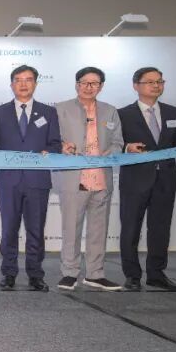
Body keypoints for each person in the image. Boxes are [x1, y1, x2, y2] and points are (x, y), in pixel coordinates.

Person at [118, 67, 176, 292]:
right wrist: (127, 147)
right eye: (150, 82)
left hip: (165, 179)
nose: (156, 85)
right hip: (135, 179)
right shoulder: (123, 114)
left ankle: (156, 274)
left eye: (159, 81)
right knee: (130, 229)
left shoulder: (172, 112)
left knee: (160, 228)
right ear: (136, 85)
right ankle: (132, 276)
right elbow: (113, 144)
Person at [0, 65, 62, 292]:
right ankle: (8, 273)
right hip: (8, 180)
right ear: (12, 84)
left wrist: (49, 152)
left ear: (36, 83)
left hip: (37, 181)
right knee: (9, 229)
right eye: (18, 80)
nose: (23, 84)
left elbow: (55, 143)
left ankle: (35, 275)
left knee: (36, 230)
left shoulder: (48, 112)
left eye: (28, 79)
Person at [54, 67, 123, 291]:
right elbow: (52, 140)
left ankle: (95, 274)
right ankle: (69, 272)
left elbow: (118, 142)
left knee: (98, 230)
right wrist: (62, 146)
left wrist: (110, 152)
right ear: (77, 84)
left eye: (94, 83)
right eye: (84, 82)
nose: (89, 87)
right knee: (71, 229)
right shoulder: (60, 109)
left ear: (101, 86)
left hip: (101, 178)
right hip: (73, 178)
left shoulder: (110, 111)